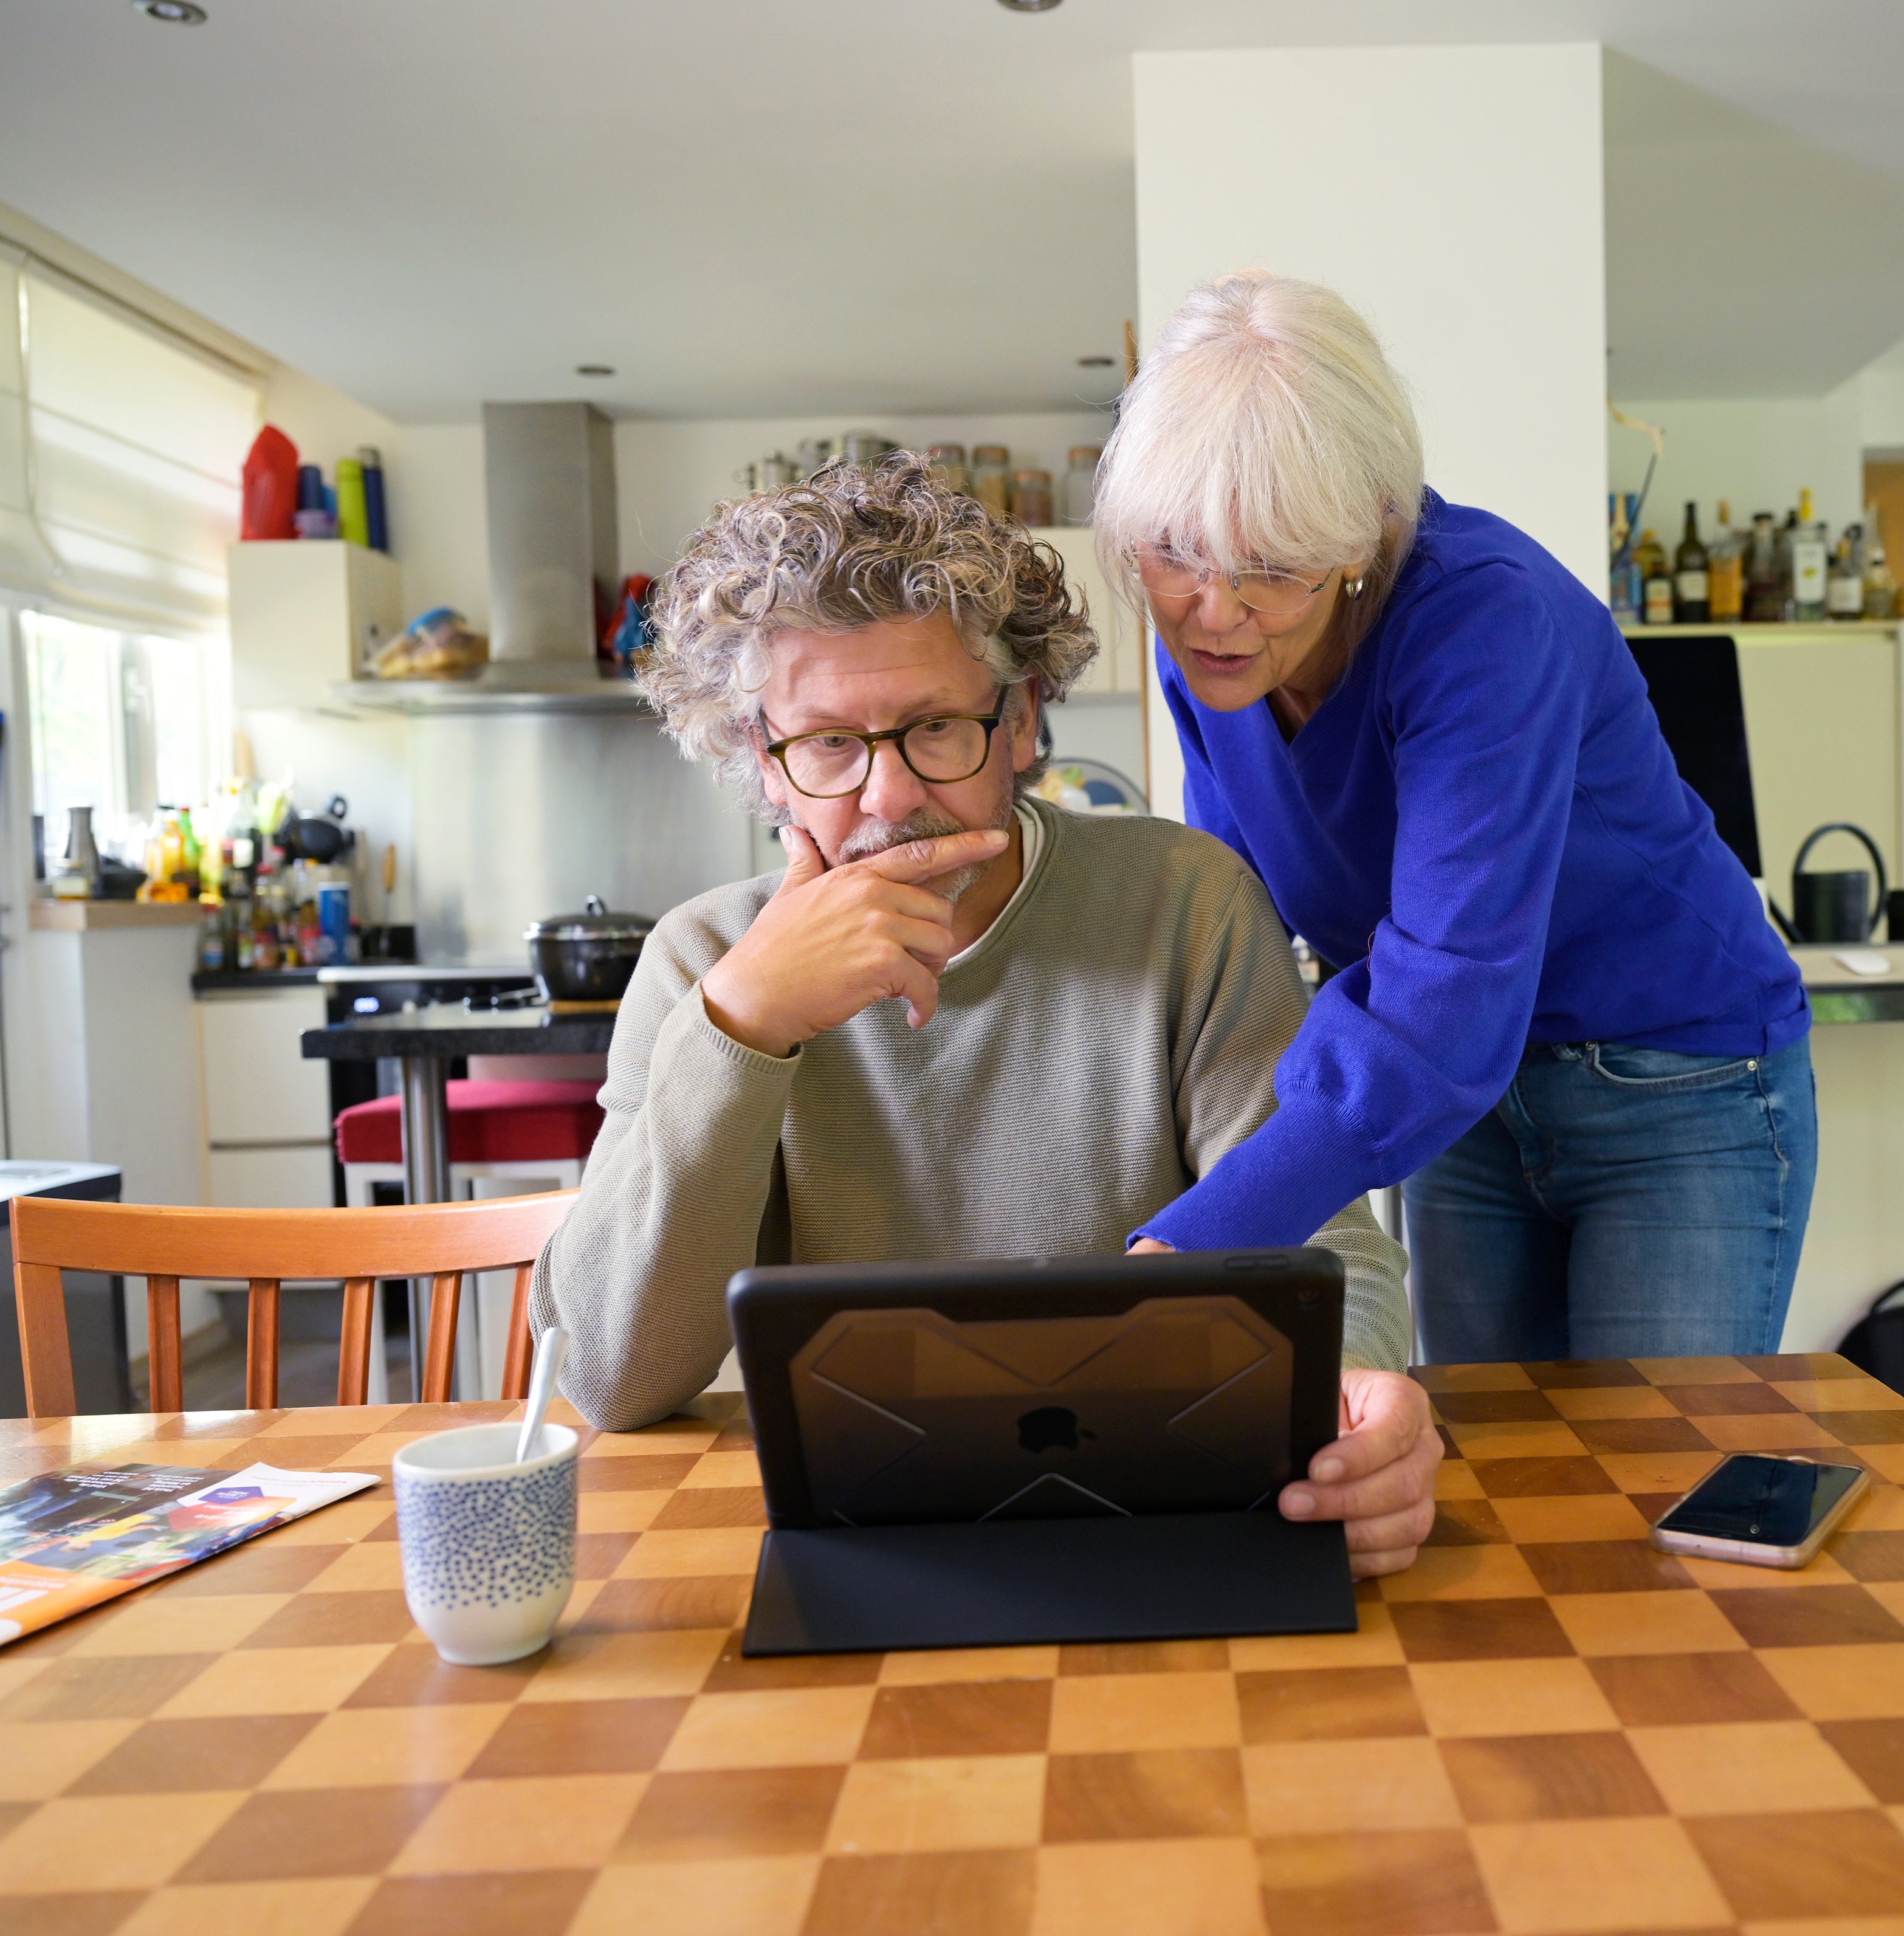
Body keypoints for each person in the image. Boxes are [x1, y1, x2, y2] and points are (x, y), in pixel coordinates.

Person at [532, 455, 1437, 1576]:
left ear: (1019, 722)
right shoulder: (703, 963)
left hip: (1164, 1509)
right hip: (841, 1541)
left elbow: (1326, 1252)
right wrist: (745, 1027)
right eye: (826, 744)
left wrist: (1358, 1397)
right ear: (759, 762)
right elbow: (616, 1380)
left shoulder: (1183, 903)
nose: (889, 795)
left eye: (936, 729)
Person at [1093, 272, 1817, 1362]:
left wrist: (1197, 1246)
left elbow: (1447, 993)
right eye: (1175, 554)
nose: (1215, 611)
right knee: (1492, 1468)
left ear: (1362, 538)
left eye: (1272, 569)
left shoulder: (1483, 621)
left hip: (1674, 1086)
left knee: (1653, 1479)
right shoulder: (1206, 643)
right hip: (1462, 1102)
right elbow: (1232, 922)